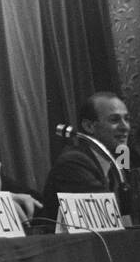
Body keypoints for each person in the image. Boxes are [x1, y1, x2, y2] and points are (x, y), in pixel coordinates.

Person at [39, 91, 131, 228]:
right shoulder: (75, 162)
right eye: (114, 120)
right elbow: (107, 216)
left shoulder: (115, 163)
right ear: (89, 126)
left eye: (127, 119)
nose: (125, 127)